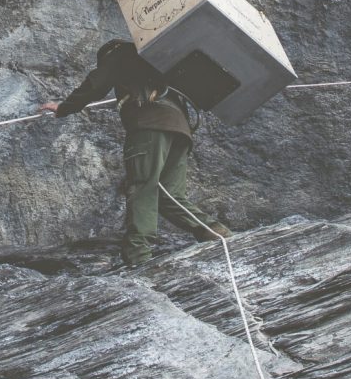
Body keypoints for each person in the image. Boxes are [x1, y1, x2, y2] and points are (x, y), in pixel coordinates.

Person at [43, 39, 231, 265]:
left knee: (143, 186)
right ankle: (213, 230)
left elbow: (96, 84)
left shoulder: (120, 52)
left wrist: (65, 107)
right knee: (169, 195)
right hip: (180, 130)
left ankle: (138, 255)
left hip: (149, 125)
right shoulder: (156, 61)